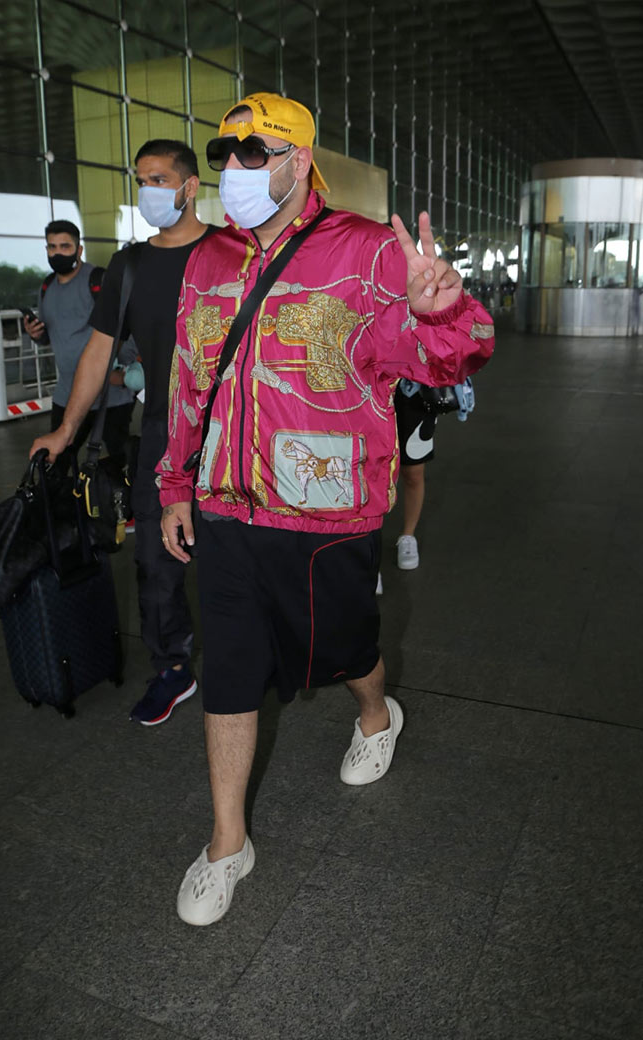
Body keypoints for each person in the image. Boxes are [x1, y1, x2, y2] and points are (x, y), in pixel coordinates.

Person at [158, 93, 495, 926]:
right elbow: (188, 380)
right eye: (226, 150)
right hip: (227, 506)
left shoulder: (365, 249)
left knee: (344, 648)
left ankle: (378, 710)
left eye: (253, 150)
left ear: (299, 161)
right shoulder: (207, 262)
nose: (234, 165)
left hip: (323, 507)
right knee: (230, 664)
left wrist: (442, 308)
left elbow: (448, 358)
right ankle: (228, 842)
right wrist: (174, 483)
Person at [30, 141, 214, 725]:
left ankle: (256, 653)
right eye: (141, 179)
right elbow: (97, 353)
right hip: (162, 434)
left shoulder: (233, 254)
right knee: (157, 563)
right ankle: (173, 670)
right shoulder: (131, 267)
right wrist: (64, 431)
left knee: (243, 556)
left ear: (188, 187)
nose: (148, 190)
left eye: (159, 178)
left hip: (236, 432)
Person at [24, 220, 135, 473]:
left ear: (79, 250)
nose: (58, 252)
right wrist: (35, 334)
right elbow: (50, 336)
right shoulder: (47, 287)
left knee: (120, 464)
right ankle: (64, 511)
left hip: (110, 397)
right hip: (67, 394)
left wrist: (122, 373)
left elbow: (127, 329)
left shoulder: (99, 280)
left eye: (65, 246)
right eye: (52, 247)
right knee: (56, 463)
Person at [393, 379, 438, 570]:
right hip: (368, 380)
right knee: (368, 468)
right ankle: (368, 546)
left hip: (415, 385)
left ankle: (408, 535)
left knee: (413, 472)